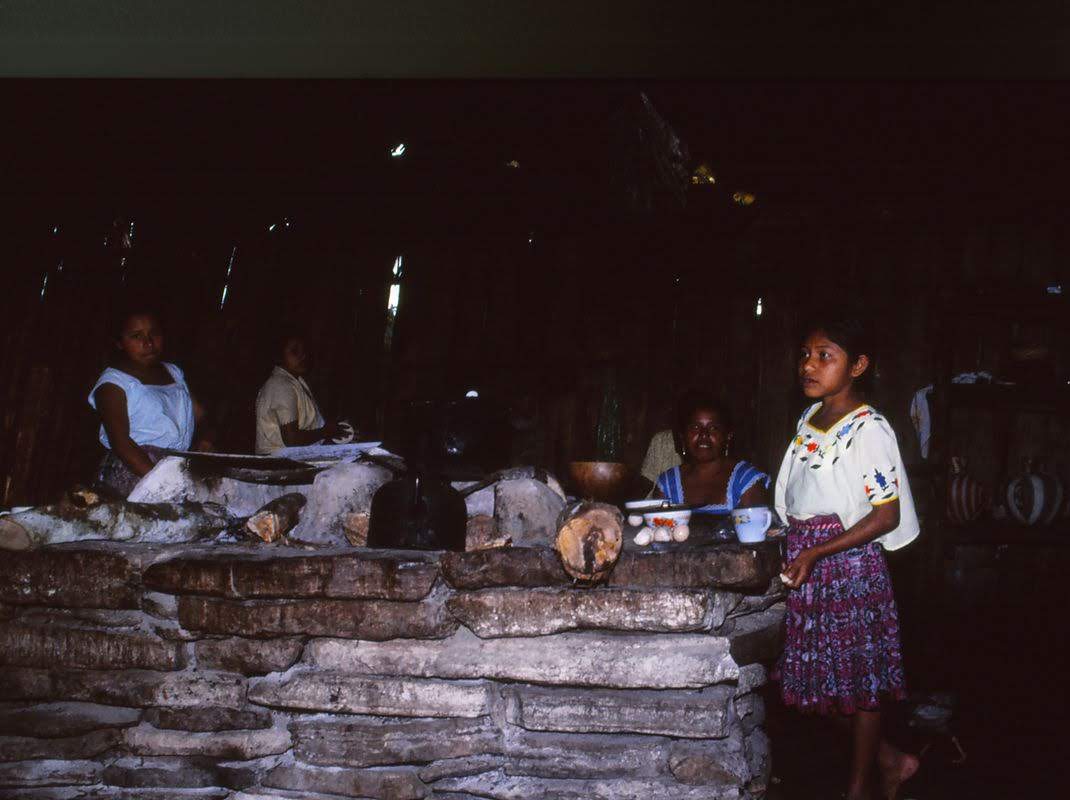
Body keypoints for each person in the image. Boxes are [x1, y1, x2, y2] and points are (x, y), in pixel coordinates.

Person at [773, 314, 920, 800]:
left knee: (861, 679)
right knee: (821, 679)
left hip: (848, 565)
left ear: (857, 365)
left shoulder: (869, 429)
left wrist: (817, 550)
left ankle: (858, 789)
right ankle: (891, 760)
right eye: (805, 355)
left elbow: (886, 515)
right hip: (808, 561)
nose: (808, 366)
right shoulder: (809, 420)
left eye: (824, 356)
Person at [89, 308, 208, 497]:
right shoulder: (113, 384)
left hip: (174, 468)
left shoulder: (173, 373)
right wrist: (161, 484)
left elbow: (199, 414)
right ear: (119, 342)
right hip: (135, 470)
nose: (148, 342)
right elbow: (121, 443)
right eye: (136, 336)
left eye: (154, 333)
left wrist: (206, 439)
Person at [654, 391, 769, 511]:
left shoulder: (746, 480)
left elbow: (757, 526)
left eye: (713, 428)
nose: (704, 434)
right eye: (695, 427)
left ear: (728, 435)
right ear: (683, 435)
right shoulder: (667, 483)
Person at [255, 332, 342, 454]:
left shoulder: (295, 381)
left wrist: (336, 432)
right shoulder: (281, 385)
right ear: (279, 355)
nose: (303, 356)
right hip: (279, 461)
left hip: (290, 458)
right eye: (295, 351)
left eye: (304, 351)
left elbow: (312, 430)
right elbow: (292, 439)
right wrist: (326, 432)